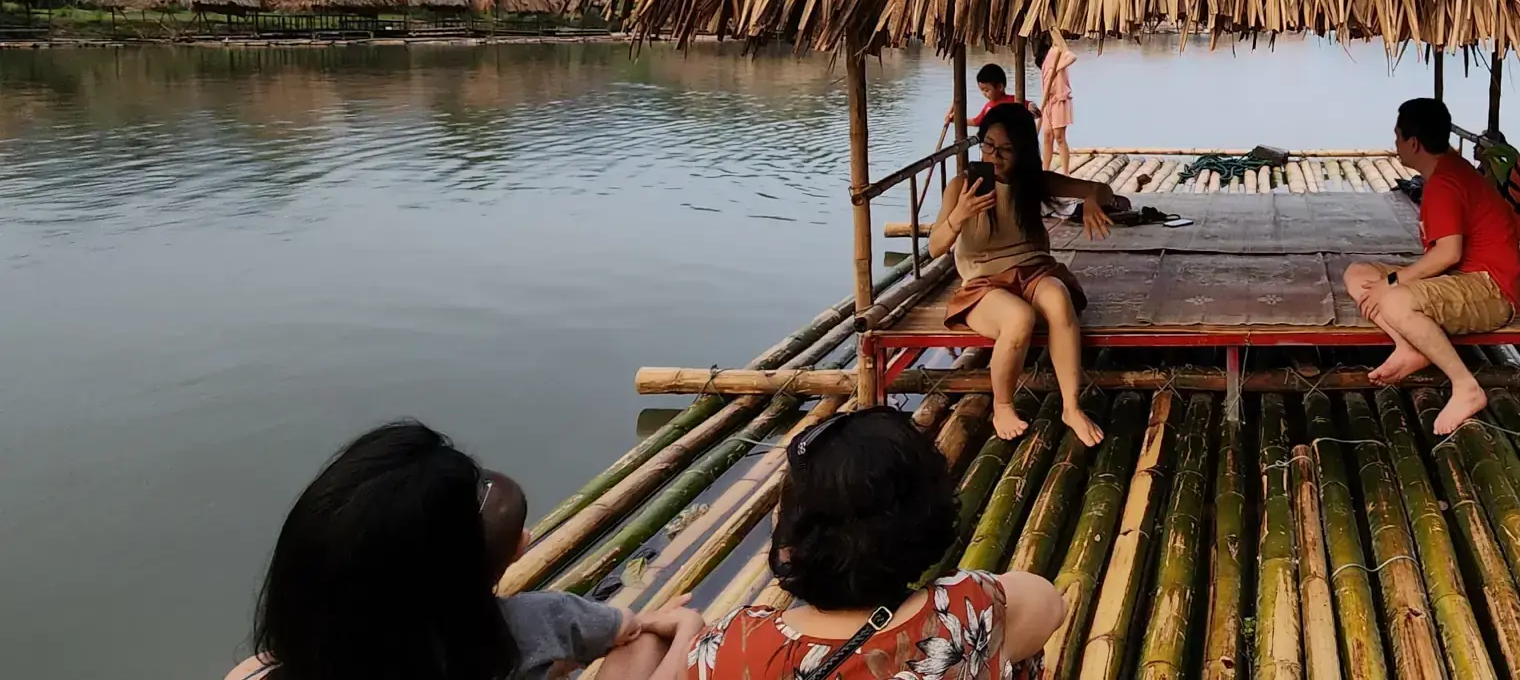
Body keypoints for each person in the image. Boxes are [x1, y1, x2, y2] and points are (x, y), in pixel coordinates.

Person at [225, 420, 705, 680]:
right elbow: (626, 630)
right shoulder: (530, 626)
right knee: (648, 644)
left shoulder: (259, 672)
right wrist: (683, 630)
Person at [686, 407, 1064, 679]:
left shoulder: (735, 643)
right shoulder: (964, 610)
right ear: (929, 521)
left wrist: (685, 626)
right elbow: (1049, 604)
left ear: (792, 537)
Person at [926, 101, 1126, 446]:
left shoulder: (1032, 182)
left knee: (1058, 299)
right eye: (988, 146)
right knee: (1018, 319)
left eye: (1006, 150)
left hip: (1032, 269)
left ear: (1023, 153)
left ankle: (1071, 407)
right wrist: (958, 216)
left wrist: (1093, 198)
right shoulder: (962, 186)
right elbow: (934, 247)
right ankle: (1002, 405)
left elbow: (1100, 190)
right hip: (983, 282)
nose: (995, 156)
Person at [1341, 97, 1520, 436]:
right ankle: (1409, 346)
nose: (1395, 145)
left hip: (1489, 289)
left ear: (1413, 143)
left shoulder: (1444, 184)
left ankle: (1466, 386)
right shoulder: (1445, 170)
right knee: (1358, 274)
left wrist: (1393, 281)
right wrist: (1388, 282)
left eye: (1398, 138)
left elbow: (1448, 253)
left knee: (1393, 297)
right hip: (1459, 280)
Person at [943, 63, 1022, 132]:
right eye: (982, 91)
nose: (984, 94)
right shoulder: (988, 107)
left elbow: (1030, 104)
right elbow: (977, 122)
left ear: (1000, 87)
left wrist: (1032, 108)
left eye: (987, 90)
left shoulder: (1014, 101)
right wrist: (956, 120)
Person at [1036, 34, 1076, 172]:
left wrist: (1057, 68)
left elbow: (1072, 57)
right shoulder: (1042, 58)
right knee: (1047, 135)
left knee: (1059, 136)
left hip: (1059, 99)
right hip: (1047, 101)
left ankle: (1066, 172)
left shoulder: (1055, 52)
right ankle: (1045, 170)